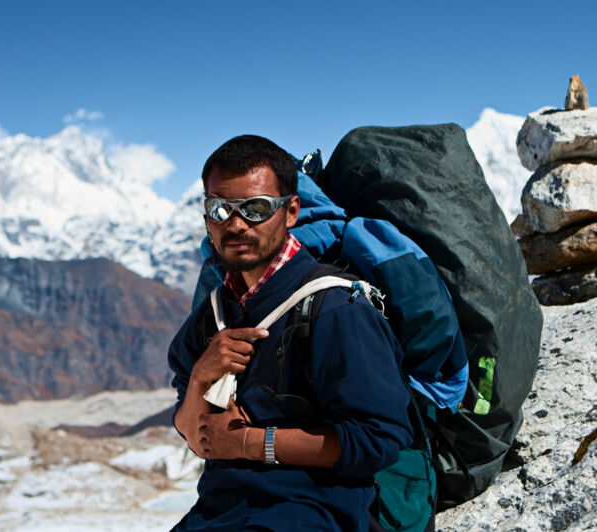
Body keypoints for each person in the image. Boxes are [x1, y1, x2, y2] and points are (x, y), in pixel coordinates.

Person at [168, 135, 413, 531]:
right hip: (219, 513)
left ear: (291, 211)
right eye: (219, 208)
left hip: (315, 513)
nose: (235, 224)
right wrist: (200, 378)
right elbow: (198, 437)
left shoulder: (336, 309)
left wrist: (249, 443)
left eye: (256, 208)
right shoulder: (210, 317)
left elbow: (378, 440)